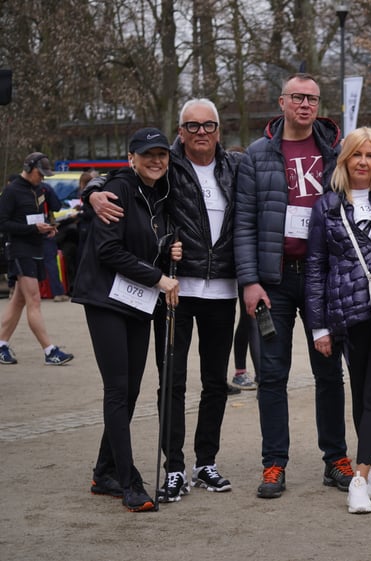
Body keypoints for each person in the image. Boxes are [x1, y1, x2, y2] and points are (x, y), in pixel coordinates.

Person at [236, 73, 371, 499]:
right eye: (297, 97)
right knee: (272, 374)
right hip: (274, 281)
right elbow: (243, 223)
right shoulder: (257, 156)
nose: (305, 105)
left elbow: (370, 179)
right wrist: (249, 281)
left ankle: (336, 459)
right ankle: (274, 464)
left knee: (330, 372)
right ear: (281, 102)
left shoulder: (335, 150)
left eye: (312, 99)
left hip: (327, 277)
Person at [90, 99, 242, 503]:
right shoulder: (167, 165)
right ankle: (173, 466)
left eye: (208, 125)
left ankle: (205, 461)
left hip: (223, 289)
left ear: (219, 129)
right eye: (191, 126)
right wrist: (92, 193)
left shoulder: (237, 166)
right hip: (176, 289)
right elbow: (117, 179)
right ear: (180, 130)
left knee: (214, 382)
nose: (201, 133)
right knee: (171, 381)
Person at [304, 127, 371, 514]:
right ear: (345, 159)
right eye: (357, 155)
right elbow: (315, 267)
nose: (364, 162)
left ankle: (360, 476)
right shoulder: (327, 206)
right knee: (362, 390)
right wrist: (318, 326)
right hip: (349, 312)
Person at [72, 128, 181, 512]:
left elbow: (144, 242)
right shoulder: (116, 189)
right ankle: (129, 480)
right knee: (118, 389)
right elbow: (108, 250)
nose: (157, 161)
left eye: (162, 155)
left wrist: (168, 247)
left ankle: (104, 471)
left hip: (137, 299)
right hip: (105, 299)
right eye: (148, 154)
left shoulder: (160, 193)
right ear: (131, 157)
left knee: (131, 389)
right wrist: (159, 277)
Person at [0, 152, 74, 366]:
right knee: (34, 300)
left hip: (36, 247)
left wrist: (46, 229)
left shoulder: (40, 189)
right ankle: (50, 350)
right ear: (29, 168)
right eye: (40, 174)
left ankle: (2, 344)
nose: (42, 178)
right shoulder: (12, 191)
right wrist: (33, 228)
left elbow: (54, 208)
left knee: (19, 301)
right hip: (20, 251)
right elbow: (3, 224)